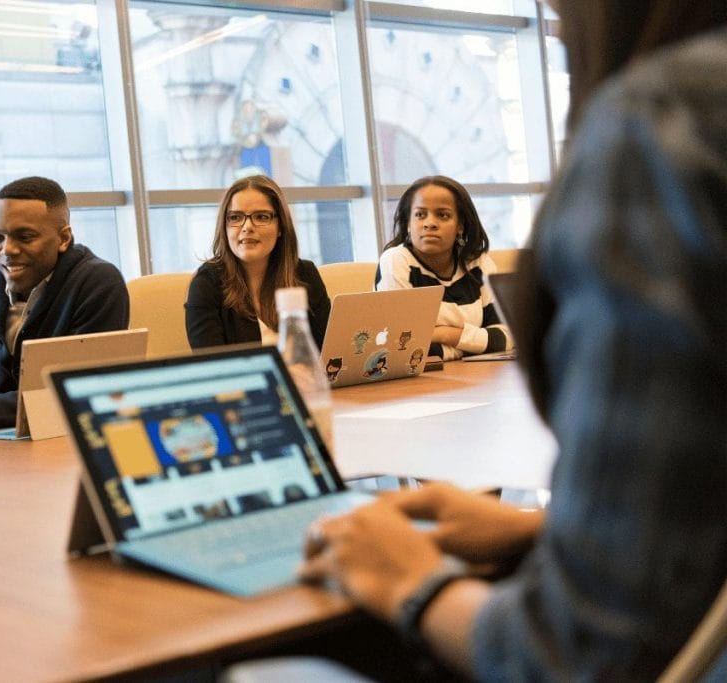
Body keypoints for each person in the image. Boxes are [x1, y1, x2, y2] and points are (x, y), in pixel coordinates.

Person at [301, 1, 727, 680]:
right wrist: (547, 532)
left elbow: (579, 650)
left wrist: (413, 578)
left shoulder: (661, 124)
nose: (557, 21)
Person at [0, 176, 129, 435]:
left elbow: (68, 395)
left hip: (64, 440)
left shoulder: (98, 283)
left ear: (63, 238)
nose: (8, 250)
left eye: (25, 237)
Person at [374, 175, 513, 361]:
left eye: (443, 215)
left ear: (460, 226)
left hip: (476, 378)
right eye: (420, 214)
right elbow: (402, 346)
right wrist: (468, 347)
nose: (429, 223)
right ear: (408, 224)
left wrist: (445, 334)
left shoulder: (478, 264)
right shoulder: (396, 261)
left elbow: (507, 337)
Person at [185, 175, 331, 350]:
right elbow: (213, 369)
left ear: (281, 227)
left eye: (261, 217)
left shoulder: (305, 274)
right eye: (235, 218)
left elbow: (329, 352)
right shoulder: (206, 284)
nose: (247, 227)